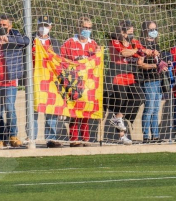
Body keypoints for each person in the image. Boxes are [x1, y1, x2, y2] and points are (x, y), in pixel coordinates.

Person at [106, 20, 150, 145]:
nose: (132, 35)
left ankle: (118, 117)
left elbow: (143, 52)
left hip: (131, 77)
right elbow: (123, 52)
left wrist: (151, 53)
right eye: (129, 33)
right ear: (122, 32)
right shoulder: (114, 41)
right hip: (117, 77)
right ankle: (122, 136)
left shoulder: (134, 42)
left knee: (139, 97)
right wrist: (138, 51)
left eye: (132, 32)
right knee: (120, 102)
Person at [60, 16, 99, 147]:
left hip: (88, 83)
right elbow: (61, 59)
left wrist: (97, 55)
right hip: (73, 82)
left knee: (86, 111)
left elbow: (97, 62)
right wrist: (74, 62)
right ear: (79, 27)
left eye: (89, 28)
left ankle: (86, 138)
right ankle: (74, 138)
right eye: (85, 28)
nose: (87, 30)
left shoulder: (93, 44)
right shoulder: (69, 42)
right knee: (74, 112)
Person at [0, 14, 30, 148]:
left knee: (9, 108)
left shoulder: (15, 35)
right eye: (0, 25)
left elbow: (26, 41)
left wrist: (8, 39)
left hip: (10, 80)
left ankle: (13, 135)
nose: (1, 27)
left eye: (4, 25)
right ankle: (1, 137)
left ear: (10, 26)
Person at [29, 15, 62, 148]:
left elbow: (59, 61)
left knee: (51, 110)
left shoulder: (54, 42)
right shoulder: (31, 40)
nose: (44, 28)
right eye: (42, 25)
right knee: (33, 110)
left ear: (51, 27)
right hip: (34, 79)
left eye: (46, 25)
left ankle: (51, 138)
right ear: (37, 25)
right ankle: (32, 137)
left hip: (50, 80)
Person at [138, 21, 167, 143]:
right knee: (149, 109)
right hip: (148, 80)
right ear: (145, 31)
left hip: (158, 80)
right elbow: (140, 64)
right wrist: (155, 66)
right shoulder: (142, 46)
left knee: (156, 109)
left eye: (155, 29)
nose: (153, 31)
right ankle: (146, 136)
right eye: (151, 29)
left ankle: (155, 135)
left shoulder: (156, 45)